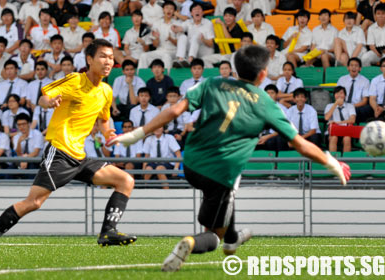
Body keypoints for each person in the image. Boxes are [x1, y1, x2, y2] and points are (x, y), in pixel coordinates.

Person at [108, 45, 350, 272]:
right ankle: (193, 243)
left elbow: (173, 111)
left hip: (191, 164)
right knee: (214, 233)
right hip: (220, 173)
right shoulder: (266, 103)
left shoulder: (213, 83)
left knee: (225, 199)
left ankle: (234, 238)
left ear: (235, 69)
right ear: (263, 74)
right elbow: (300, 144)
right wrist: (333, 163)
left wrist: (134, 135)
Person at [0, 39, 137, 263]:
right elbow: (44, 97)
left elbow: (105, 121)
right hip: (59, 152)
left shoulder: (106, 91)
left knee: (125, 181)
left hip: (80, 157)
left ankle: (108, 232)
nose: (108, 61)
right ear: (89, 59)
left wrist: (109, 134)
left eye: (110, 57)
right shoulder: (75, 80)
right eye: (103, 56)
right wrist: (48, 103)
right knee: (34, 203)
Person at [137, 1, 180, 70]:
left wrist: (170, 39)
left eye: (171, 9)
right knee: (143, 56)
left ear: (174, 11)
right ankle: (141, 78)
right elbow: (155, 45)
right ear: (163, 10)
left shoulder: (178, 24)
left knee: (166, 57)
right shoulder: (157, 24)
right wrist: (157, 38)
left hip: (173, 51)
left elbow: (180, 44)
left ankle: (167, 79)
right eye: (166, 8)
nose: (169, 10)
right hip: (160, 50)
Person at [172, 2, 214, 67]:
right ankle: (180, 59)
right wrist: (175, 28)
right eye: (194, 9)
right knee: (182, 36)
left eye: (199, 9)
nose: (197, 11)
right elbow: (181, 28)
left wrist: (203, 39)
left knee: (196, 35)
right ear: (191, 13)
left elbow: (211, 44)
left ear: (203, 13)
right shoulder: (188, 22)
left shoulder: (208, 23)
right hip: (191, 51)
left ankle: (191, 60)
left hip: (204, 52)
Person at [336, 57, 372, 123]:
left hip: (357, 107)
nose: (353, 68)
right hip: (343, 105)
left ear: (360, 68)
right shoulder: (342, 80)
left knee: (365, 109)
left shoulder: (365, 81)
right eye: (351, 65)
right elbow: (338, 96)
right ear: (348, 68)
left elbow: (364, 101)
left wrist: (351, 106)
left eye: (356, 66)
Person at [324, 86, 356, 153]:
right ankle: (333, 160)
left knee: (347, 138)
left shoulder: (350, 106)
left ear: (345, 95)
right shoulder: (329, 106)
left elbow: (352, 120)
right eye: (337, 93)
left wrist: (337, 122)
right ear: (334, 95)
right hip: (333, 130)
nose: (339, 95)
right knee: (333, 138)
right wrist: (335, 104)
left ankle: (346, 160)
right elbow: (326, 118)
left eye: (341, 93)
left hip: (346, 130)